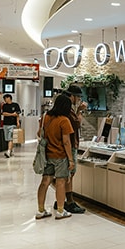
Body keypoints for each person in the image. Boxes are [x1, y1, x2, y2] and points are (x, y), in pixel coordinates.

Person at [35, 93, 75, 219]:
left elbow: (39, 133)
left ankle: (41, 210)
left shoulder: (46, 117)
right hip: (60, 156)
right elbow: (66, 142)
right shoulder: (64, 120)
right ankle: (60, 210)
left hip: (47, 155)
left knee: (45, 181)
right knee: (60, 182)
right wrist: (71, 159)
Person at [63, 85, 86, 214]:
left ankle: (61, 200)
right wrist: (80, 111)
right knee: (70, 174)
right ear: (72, 96)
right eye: (78, 97)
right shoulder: (68, 110)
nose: (79, 99)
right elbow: (76, 124)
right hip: (70, 145)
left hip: (68, 145)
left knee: (65, 175)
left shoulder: (65, 109)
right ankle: (69, 202)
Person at [0, 93, 21, 157]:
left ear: (9, 98)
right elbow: (4, 113)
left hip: (13, 124)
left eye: (5, 98)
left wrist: (18, 122)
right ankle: (11, 150)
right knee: (7, 138)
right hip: (6, 124)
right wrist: (12, 114)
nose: (5, 100)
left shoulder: (15, 105)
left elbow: (17, 114)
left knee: (10, 138)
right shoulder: (4, 106)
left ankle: (8, 152)